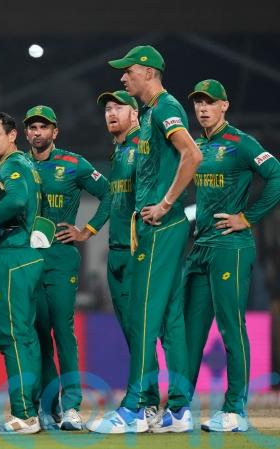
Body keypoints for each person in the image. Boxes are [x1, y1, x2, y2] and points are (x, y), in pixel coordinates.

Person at [88, 45, 202, 434]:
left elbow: (192, 155)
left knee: (143, 317)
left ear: (149, 72)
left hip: (160, 227)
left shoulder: (166, 107)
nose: (123, 77)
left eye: (129, 71)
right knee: (170, 319)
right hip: (157, 228)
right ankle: (180, 410)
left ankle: (136, 408)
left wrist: (166, 203)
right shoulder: (152, 113)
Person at [184, 79, 280, 432]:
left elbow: (277, 175)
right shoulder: (195, 146)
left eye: (210, 102)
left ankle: (235, 409)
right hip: (200, 247)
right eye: (198, 102)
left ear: (224, 106)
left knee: (230, 326)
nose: (203, 108)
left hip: (231, 247)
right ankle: (179, 408)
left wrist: (248, 218)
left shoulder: (241, 143)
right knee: (189, 332)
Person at [22, 105, 109, 431]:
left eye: (43, 127)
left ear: (54, 132)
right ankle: (49, 406)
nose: (37, 132)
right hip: (27, 261)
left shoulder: (74, 163)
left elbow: (109, 192)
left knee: (62, 330)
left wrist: (87, 230)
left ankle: (72, 406)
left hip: (60, 259)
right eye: (32, 127)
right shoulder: (17, 165)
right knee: (38, 335)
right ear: (26, 132)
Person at [0, 112, 44, 435]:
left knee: (12, 335)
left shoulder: (13, 165)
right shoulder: (23, 164)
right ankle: (32, 411)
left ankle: (23, 415)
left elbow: (16, 200)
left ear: (12, 135)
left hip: (14, 255)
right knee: (26, 337)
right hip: (28, 254)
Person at [96, 90, 162, 423]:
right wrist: (89, 230)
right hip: (116, 252)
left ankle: (146, 403)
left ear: (135, 114)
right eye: (107, 108)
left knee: (142, 332)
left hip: (139, 253)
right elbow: (111, 197)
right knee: (133, 334)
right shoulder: (119, 151)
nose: (111, 113)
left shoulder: (144, 147)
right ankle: (147, 401)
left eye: (118, 107)